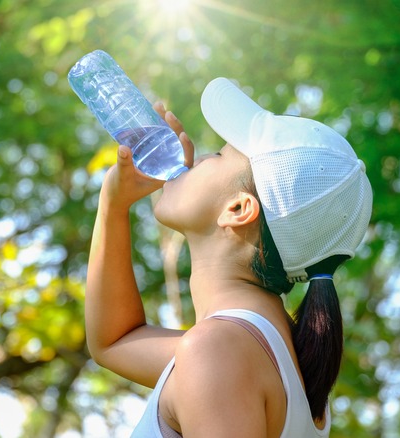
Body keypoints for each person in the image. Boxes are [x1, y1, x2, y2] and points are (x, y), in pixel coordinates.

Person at [85, 77, 372, 437]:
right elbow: (113, 343)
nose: (200, 157)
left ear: (238, 209)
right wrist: (114, 202)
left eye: (218, 155)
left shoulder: (220, 350)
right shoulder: (263, 350)